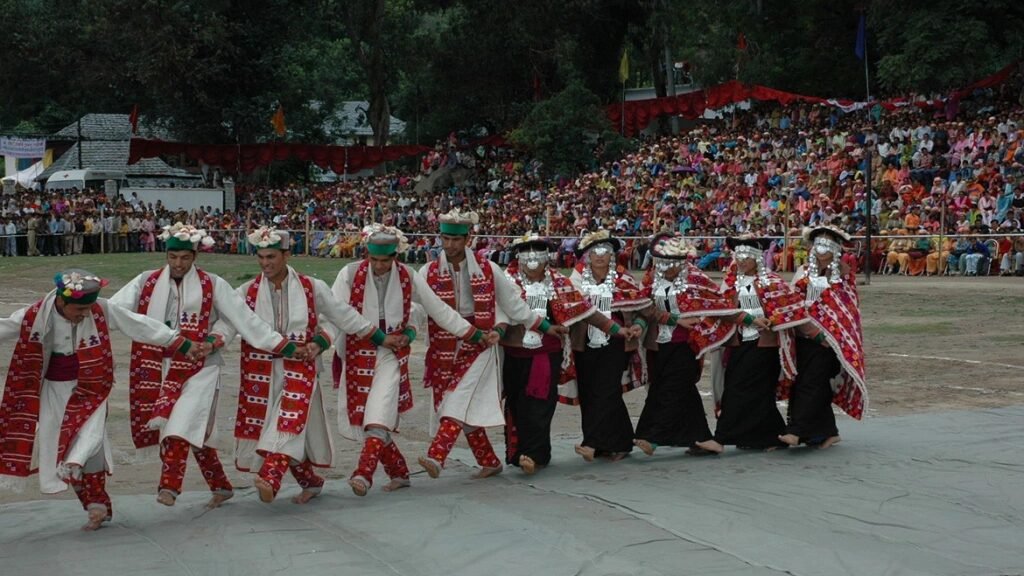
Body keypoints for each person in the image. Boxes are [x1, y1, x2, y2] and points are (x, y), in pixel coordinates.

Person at [110, 222, 299, 509]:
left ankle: (170, 486)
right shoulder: (144, 281)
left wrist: (214, 341)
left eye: (185, 258)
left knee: (181, 425)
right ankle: (221, 486)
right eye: (173, 257)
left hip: (202, 366)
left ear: (195, 256)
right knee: (197, 432)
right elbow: (112, 310)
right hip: (156, 365)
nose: (178, 264)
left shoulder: (213, 283)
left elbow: (240, 319)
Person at [0, 269, 194, 530]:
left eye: (88, 309)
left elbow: (137, 323)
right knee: (65, 451)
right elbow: (4, 327)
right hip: (53, 391)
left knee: (91, 445)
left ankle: (97, 505)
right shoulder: (34, 316)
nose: (84, 315)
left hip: (92, 387)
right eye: (79, 310)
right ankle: (94, 504)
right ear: (62, 302)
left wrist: (176, 341)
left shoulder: (100, 309)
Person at [217, 227, 382, 504]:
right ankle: (311, 482)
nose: (265, 263)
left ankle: (271, 476)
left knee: (288, 420)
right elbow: (229, 324)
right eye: (261, 257)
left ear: (286, 255)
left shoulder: (311, 287)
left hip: (301, 367)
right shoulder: (246, 291)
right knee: (285, 428)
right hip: (261, 371)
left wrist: (323, 342)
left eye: (271, 257)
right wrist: (212, 342)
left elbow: (341, 317)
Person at [332, 224, 494, 496]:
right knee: (363, 416)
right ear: (366, 255)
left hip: (392, 353)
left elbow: (436, 309)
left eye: (386, 260)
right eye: (374, 260)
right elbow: (336, 312)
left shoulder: (408, 275)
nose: (380, 267)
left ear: (396, 256)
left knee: (380, 410)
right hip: (356, 352)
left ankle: (363, 472)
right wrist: (374, 335)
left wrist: (472, 333)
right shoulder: (348, 274)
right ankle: (399, 472)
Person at [416, 210, 552, 480]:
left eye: (456, 239)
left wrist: (543, 326)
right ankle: (489, 461)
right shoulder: (427, 271)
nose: (451, 245)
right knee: (460, 403)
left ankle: (437, 455)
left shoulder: (488, 268)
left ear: (468, 239)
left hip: (481, 343)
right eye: (446, 238)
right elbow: (418, 310)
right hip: (443, 345)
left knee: (458, 398)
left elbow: (511, 304)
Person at [500, 233, 629, 475]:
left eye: (538, 251)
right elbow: (495, 313)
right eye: (526, 252)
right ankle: (519, 454)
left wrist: (615, 329)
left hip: (545, 353)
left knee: (539, 402)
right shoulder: (507, 283)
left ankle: (535, 454)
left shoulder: (559, 283)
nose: (532, 258)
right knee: (516, 403)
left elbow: (585, 310)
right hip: (513, 353)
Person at [700, 235, 808, 453]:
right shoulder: (731, 283)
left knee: (744, 389)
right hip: (739, 341)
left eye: (747, 257)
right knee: (750, 390)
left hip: (764, 343)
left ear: (757, 258)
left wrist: (772, 319)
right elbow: (723, 310)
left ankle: (720, 439)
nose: (741, 261)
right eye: (738, 256)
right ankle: (770, 437)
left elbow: (790, 307)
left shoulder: (772, 281)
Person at [633, 234, 736, 457]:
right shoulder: (651, 279)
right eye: (662, 262)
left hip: (686, 344)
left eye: (671, 263)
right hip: (659, 345)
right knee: (674, 390)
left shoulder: (695, 279)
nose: (666, 268)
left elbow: (717, 302)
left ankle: (654, 436)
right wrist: (642, 325)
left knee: (673, 388)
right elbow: (643, 307)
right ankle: (703, 438)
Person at [782, 226, 868, 448]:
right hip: (803, 334)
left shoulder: (842, 275)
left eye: (828, 245)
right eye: (818, 244)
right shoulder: (803, 272)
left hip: (829, 341)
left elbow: (846, 309)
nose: (821, 250)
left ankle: (797, 431)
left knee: (811, 383)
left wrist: (830, 334)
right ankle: (827, 431)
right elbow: (793, 300)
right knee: (809, 382)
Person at [568, 230, 647, 462]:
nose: (600, 256)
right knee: (590, 392)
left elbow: (642, 308)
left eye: (605, 252)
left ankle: (591, 442)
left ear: (612, 255)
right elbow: (574, 309)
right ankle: (617, 442)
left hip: (617, 343)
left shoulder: (624, 279)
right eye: (595, 252)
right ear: (587, 256)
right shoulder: (576, 280)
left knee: (607, 391)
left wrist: (639, 325)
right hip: (585, 344)